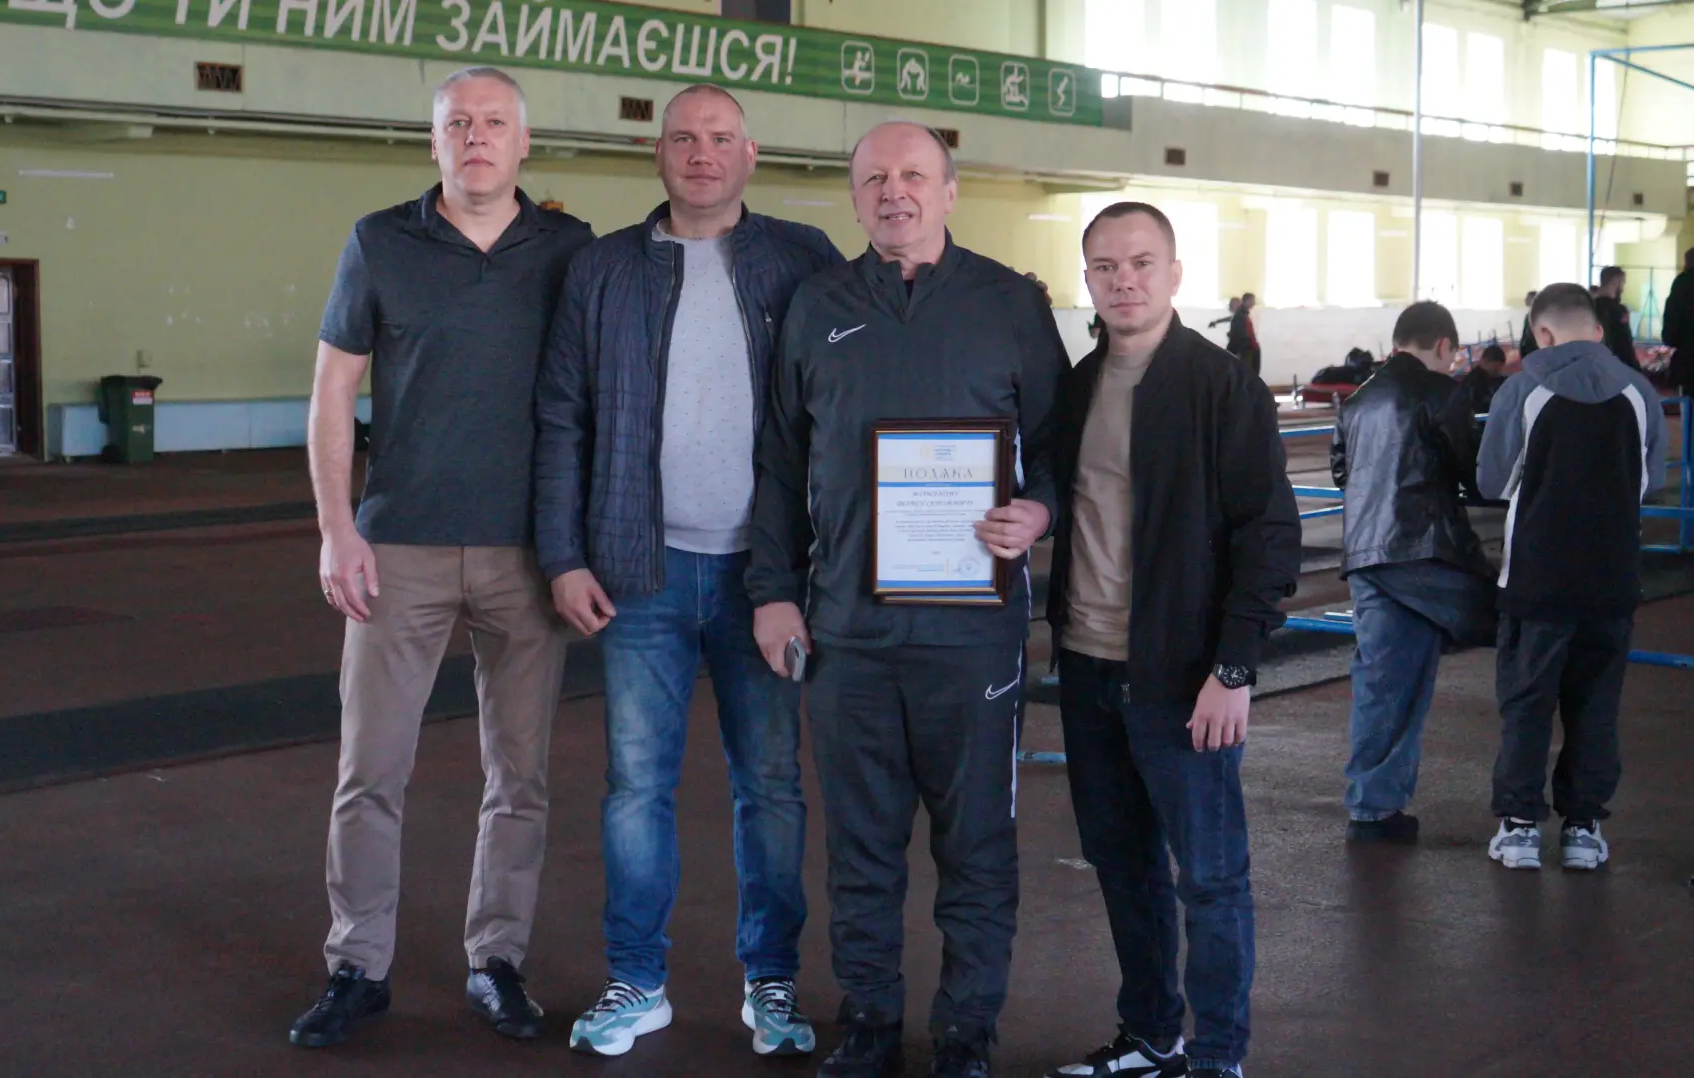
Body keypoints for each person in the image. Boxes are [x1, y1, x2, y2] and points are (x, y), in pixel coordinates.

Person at [748, 121, 1066, 1078]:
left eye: (914, 175)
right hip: (849, 635)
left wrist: (1039, 510)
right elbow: (779, 464)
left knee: (977, 847)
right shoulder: (818, 305)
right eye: (875, 178)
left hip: (975, 641)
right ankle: (870, 1021)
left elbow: (1060, 447)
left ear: (949, 191)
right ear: (854, 200)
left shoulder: (1010, 303)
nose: (896, 192)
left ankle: (966, 1032)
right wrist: (773, 593)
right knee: (862, 850)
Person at [533, 84, 843, 1059]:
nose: (701, 153)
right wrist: (564, 555)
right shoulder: (600, 269)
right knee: (636, 785)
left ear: (750, 154)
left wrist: (819, 566)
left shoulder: (803, 259)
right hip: (641, 573)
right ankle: (637, 981)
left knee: (772, 784)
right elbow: (562, 417)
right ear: (657, 153)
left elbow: (839, 407)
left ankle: (772, 981)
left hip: (767, 578)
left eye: (719, 138)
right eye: (682, 138)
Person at [289, 66, 595, 1050]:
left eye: (494, 122)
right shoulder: (379, 241)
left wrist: (582, 542)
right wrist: (337, 527)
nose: (476, 137)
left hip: (528, 554)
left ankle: (496, 960)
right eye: (458, 122)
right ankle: (357, 965)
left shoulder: (571, 250)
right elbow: (333, 390)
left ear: (523, 142)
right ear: (435, 142)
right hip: (399, 549)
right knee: (370, 771)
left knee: (520, 777)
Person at [1042, 203, 1299, 1078]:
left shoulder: (1222, 386)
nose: (1124, 280)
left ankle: (1220, 1056)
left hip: (1183, 679)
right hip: (1088, 667)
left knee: (1212, 877)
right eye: (1106, 267)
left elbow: (1268, 534)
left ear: (1175, 273)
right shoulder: (1078, 385)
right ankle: (1151, 1035)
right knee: (1123, 866)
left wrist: (1233, 668)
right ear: (1088, 280)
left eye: (1142, 262)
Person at [1477, 282, 1666, 871]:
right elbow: (1650, 481)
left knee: (1527, 704)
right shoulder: (1640, 392)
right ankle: (1583, 830)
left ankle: (1519, 830)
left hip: (1536, 581)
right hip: (1613, 580)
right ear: (1599, 331)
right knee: (1596, 706)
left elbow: (1492, 482)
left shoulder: (1521, 389)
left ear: (1542, 333)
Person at [1330, 302, 1497, 844]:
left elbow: (1341, 471)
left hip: (1365, 554)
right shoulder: (1443, 393)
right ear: (1444, 345)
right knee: (1526, 623)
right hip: (1425, 554)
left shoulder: (1357, 399)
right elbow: (1473, 473)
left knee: (1381, 681)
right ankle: (1526, 805)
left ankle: (1372, 808)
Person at [1661, 246, 1694, 398]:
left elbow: (1671, 326)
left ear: (1686, 264)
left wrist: (1670, 340)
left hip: (1689, 361)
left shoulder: (1682, 283)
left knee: (1691, 402)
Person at [1592, 266, 1640, 371]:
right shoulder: (1618, 311)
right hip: (1617, 368)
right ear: (1616, 281)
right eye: (1622, 283)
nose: (1623, 289)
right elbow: (1624, 345)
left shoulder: (1589, 308)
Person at [1458, 343, 1508, 419]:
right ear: (1485, 361)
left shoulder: (1497, 380)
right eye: (1496, 368)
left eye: (1500, 368)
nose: (1498, 371)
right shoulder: (1473, 383)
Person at [1226, 292, 1260, 378]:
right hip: (1245, 349)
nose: (1254, 303)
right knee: (1247, 373)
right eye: (1252, 301)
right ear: (1247, 301)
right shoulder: (1240, 314)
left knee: (1248, 372)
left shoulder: (1242, 314)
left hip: (1248, 347)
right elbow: (1240, 335)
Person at [1518, 290, 1539, 358]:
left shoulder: (1538, 316)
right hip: (1527, 348)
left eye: (1527, 298)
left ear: (1533, 299)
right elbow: (1525, 334)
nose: (1525, 300)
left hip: (1534, 349)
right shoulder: (1528, 315)